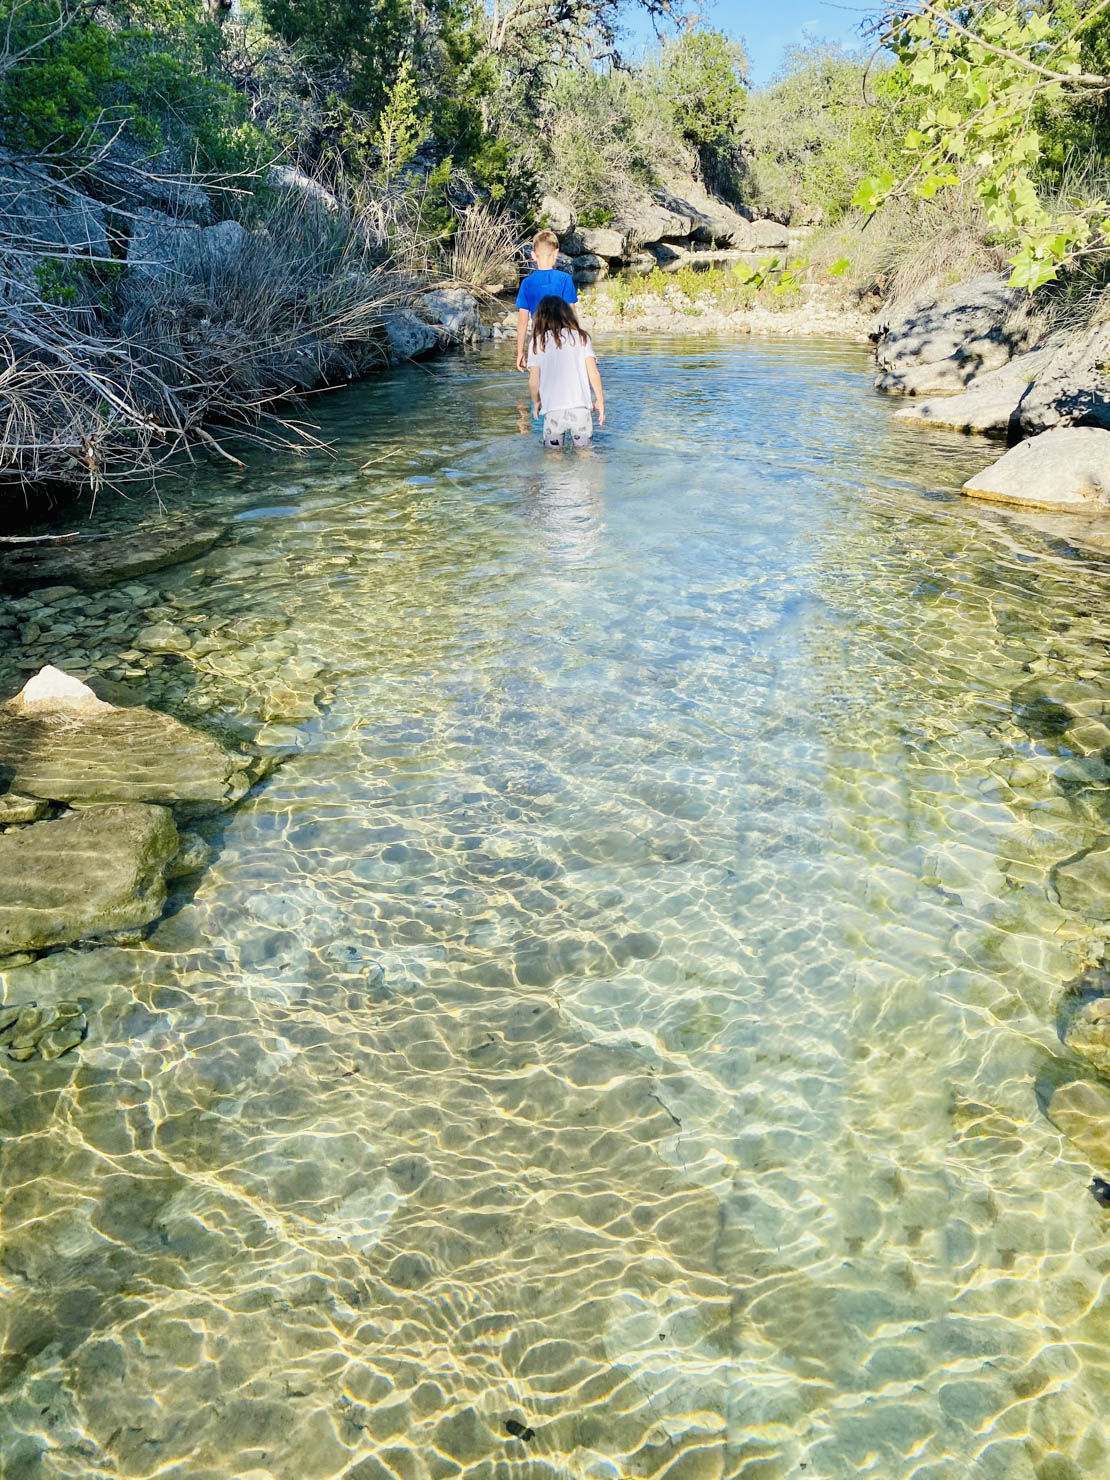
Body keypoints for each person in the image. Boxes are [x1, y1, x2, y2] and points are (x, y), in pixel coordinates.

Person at [527, 295, 605, 449]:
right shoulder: (581, 337)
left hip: (553, 410)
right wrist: (600, 400)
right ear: (567, 315)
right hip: (580, 408)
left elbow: (533, 381)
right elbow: (593, 373)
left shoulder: (538, 342)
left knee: (553, 458)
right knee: (586, 456)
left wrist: (536, 402)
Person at [516, 228, 577, 371]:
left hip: (537, 340)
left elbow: (522, 321)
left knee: (537, 383)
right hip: (561, 340)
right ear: (556, 253)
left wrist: (520, 352)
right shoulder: (565, 279)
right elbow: (572, 315)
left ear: (533, 255)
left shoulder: (527, 283)